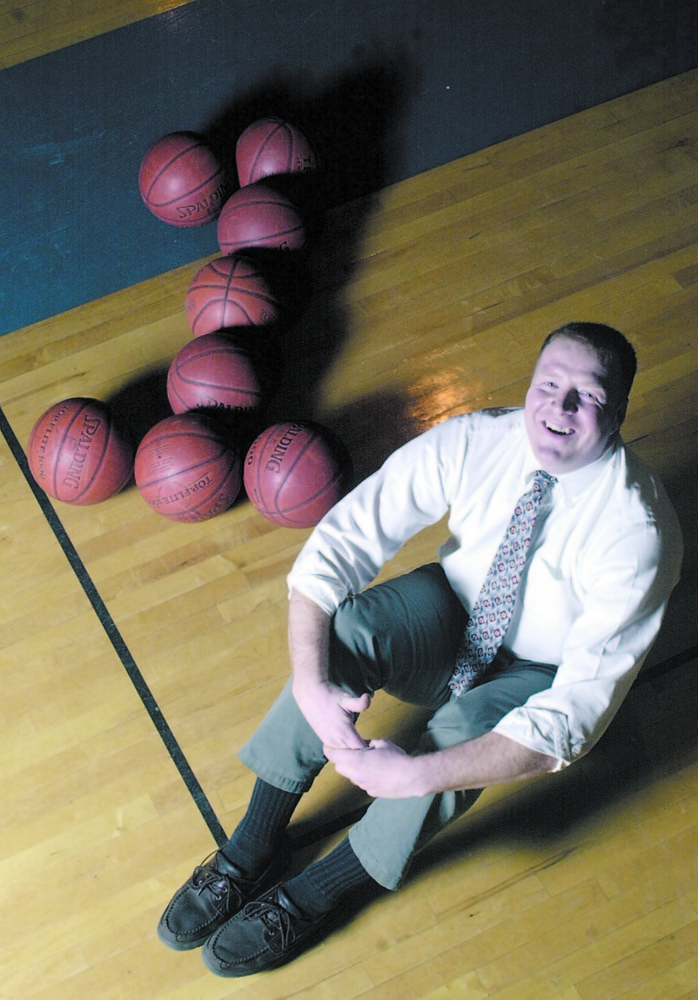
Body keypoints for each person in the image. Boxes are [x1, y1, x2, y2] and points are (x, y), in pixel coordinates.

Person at [158, 322, 683, 977]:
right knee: (344, 631)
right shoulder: (476, 440)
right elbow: (341, 544)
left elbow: (573, 716)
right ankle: (252, 843)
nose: (560, 406)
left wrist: (416, 776)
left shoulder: (637, 534)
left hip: (539, 670)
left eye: (588, 394)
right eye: (549, 383)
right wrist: (309, 682)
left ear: (620, 409)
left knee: (457, 742)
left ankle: (319, 892)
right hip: (454, 610)